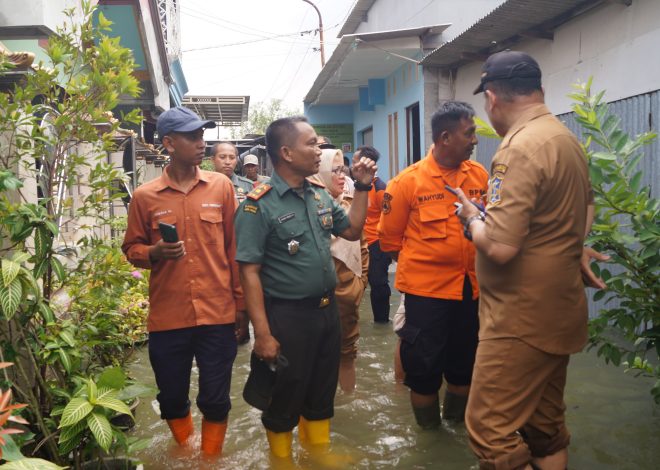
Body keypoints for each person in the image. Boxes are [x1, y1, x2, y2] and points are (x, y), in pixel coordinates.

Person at [456, 50, 608, 470]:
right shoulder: (565, 138)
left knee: (489, 430)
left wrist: (471, 220)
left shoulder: (518, 149)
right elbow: (586, 208)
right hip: (558, 310)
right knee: (544, 427)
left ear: (492, 97)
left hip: (519, 319)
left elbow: (501, 247)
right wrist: (568, 246)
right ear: (539, 89)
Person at [234, 116, 376, 460]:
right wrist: (263, 334)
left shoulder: (318, 196)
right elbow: (248, 273)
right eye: (311, 144)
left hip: (326, 312)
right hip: (288, 316)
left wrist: (362, 187)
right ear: (286, 152)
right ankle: (281, 461)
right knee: (285, 393)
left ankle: (318, 452)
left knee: (321, 390)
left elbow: (353, 230)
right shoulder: (258, 205)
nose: (319, 150)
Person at [122, 106, 245, 456]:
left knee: (216, 398)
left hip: (217, 314)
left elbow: (234, 250)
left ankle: (209, 461)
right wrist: (155, 253)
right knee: (172, 397)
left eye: (201, 135)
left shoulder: (220, 186)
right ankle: (186, 452)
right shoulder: (146, 197)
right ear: (169, 143)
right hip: (168, 317)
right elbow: (131, 248)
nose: (200, 143)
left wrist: (242, 306)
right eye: (192, 137)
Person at [378, 101, 488, 429]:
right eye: (469, 134)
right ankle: (429, 436)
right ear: (445, 137)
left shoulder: (480, 175)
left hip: (472, 290)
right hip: (426, 295)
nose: (475, 140)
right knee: (423, 372)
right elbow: (389, 241)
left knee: (465, 366)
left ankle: (454, 427)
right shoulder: (407, 183)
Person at [309, 148, 369, 393]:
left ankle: (348, 403)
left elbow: (362, 245)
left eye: (342, 169)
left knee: (347, 352)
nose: (341, 175)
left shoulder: (350, 202)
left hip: (347, 293)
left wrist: (360, 282)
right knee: (313, 355)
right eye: (334, 170)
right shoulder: (308, 204)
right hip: (313, 294)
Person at [211, 141, 253, 345]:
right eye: (222, 157)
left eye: (232, 157)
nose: (227, 162)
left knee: (245, 302)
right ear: (212, 160)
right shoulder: (206, 187)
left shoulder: (249, 187)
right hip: (217, 253)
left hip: (245, 252)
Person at [355, 145, 391, 324]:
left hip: (377, 244)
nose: (352, 166)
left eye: (355, 162)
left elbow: (389, 220)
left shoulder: (380, 189)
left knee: (379, 284)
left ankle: (382, 322)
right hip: (359, 243)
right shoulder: (357, 186)